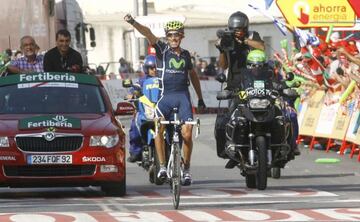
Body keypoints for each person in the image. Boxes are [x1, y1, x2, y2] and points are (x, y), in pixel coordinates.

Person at [124, 14, 206, 185]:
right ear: (166, 37)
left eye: (177, 35)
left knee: (188, 134)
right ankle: (162, 166)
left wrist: (200, 98)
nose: (173, 38)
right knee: (158, 128)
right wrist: (133, 22)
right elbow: (147, 32)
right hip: (165, 97)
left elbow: (193, 77)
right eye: (170, 35)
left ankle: (187, 169)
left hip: (183, 97)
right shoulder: (162, 49)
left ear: (182, 36)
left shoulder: (186, 56)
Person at [214, 11, 265, 167]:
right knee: (230, 118)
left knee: (273, 111)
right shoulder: (228, 40)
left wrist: (244, 40)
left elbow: (262, 48)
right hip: (236, 86)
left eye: (240, 29)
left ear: (245, 27)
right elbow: (223, 66)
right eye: (235, 30)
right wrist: (222, 49)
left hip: (256, 83)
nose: (237, 32)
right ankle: (233, 151)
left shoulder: (252, 35)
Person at [127, 55, 159, 162]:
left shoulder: (163, 78)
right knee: (135, 124)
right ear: (146, 69)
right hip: (147, 109)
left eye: (156, 67)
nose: (154, 70)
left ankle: (174, 150)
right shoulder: (142, 80)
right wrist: (132, 94)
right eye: (151, 68)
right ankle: (136, 151)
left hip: (160, 108)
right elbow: (134, 88)